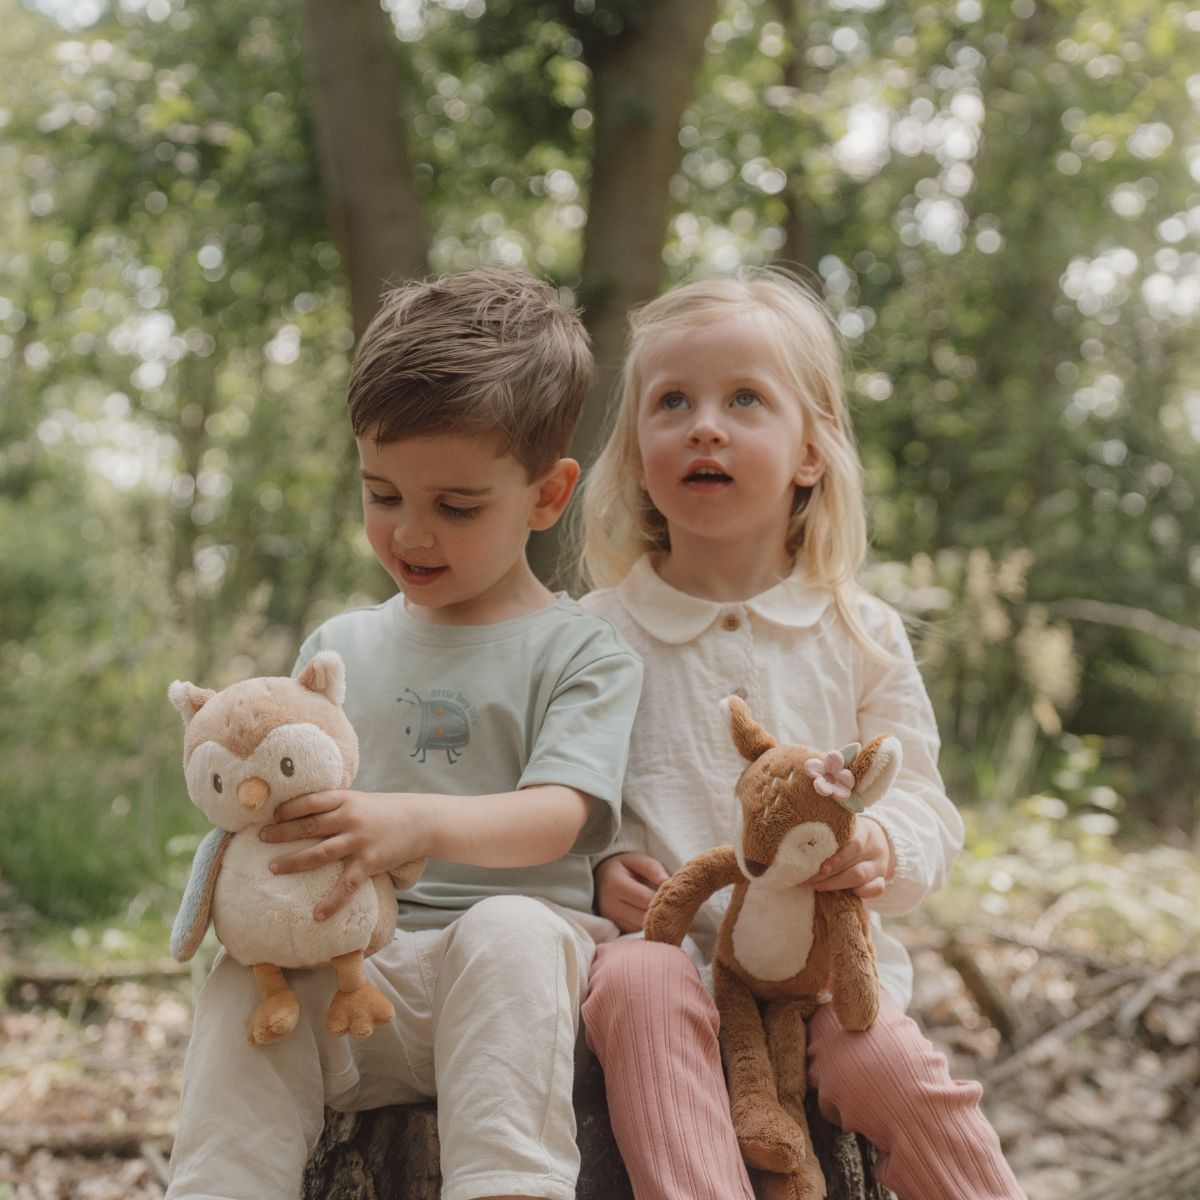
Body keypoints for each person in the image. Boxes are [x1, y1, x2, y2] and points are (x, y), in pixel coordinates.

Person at [166, 268, 643, 1200]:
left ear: (547, 497)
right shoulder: (338, 649)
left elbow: (560, 814)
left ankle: (508, 1183)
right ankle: (222, 1184)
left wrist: (414, 823)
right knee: (238, 979)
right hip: (353, 975)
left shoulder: (581, 649)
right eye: (382, 494)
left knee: (508, 928)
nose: (409, 534)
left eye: (455, 507)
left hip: (511, 995)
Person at [575, 269, 1026, 1200]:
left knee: (887, 1070)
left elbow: (928, 808)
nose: (706, 424)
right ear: (637, 454)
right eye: (673, 402)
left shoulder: (858, 631)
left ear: (811, 453)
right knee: (636, 988)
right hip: (669, 960)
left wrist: (877, 843)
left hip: (828, 975)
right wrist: (595, 862)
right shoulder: (595, 636)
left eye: (745, 398)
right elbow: (556, 796)